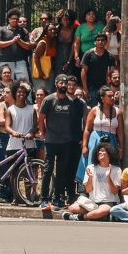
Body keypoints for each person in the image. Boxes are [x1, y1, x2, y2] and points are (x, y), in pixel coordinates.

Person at [37, 75, 88, 212]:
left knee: (61, 171)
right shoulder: (49, 100)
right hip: (51, 141)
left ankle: (57, 198)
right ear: (56, 84)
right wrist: (43, 133)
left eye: (66, 83)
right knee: (47, 170)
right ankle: (43, 199)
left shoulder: (70, 101)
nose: (64, 85)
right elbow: (41, 118)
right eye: (61, 82)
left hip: (66, 141)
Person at [65, 143, 122, 221]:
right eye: (98, 151)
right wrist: (90, 177)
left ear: (110, 153)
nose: (100, 153)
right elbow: (87, 190)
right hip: (92, 202)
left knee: (104, 210)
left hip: (109, 202)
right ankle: (97, 215)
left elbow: (115, 191)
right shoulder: (90, 168)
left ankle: (81, 217)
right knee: (72, 208)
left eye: (103, 151)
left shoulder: (117, 170)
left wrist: (108, 177)